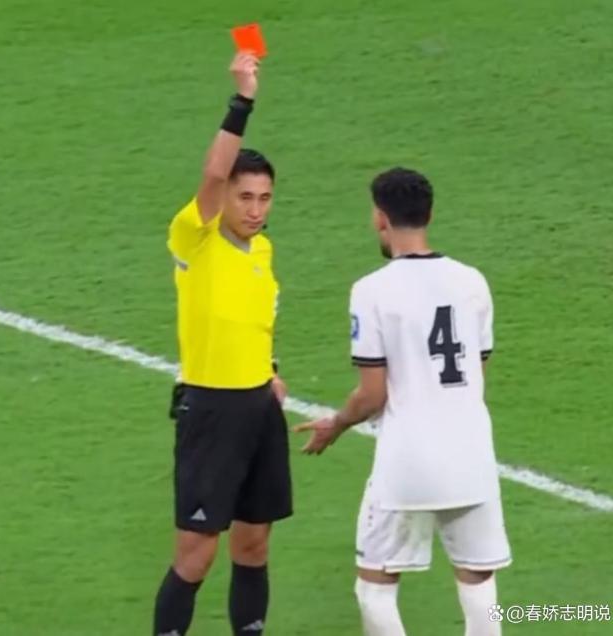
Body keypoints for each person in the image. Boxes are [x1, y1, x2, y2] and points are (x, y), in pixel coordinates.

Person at [295, 168, 511, 636]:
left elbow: (372, 393)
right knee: (479, 587)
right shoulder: (473, 282)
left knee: (375, 588)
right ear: (429, 214)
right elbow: (477, 371)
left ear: (380, 218)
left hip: (407, 461)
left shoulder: (372, 290)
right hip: (472, 455)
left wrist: (336, 424)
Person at [153, 52, 292, 636]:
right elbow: (213, 175)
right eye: (245, 198)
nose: (255, 210)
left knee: (254, 545)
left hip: (259, 407)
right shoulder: (197, 238)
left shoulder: (263, 251)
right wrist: (243, 101)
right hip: (210, 410)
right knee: (197, 554)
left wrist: (270, 370)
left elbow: (255, 321)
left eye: (264, 198)